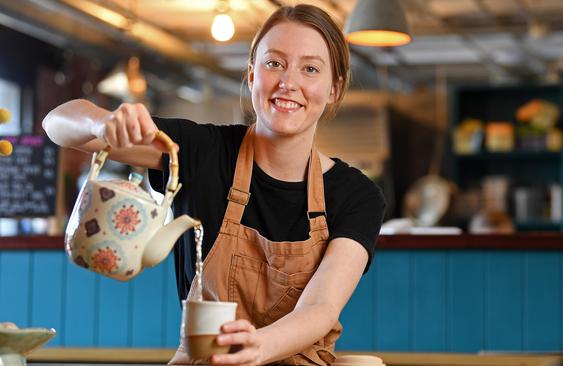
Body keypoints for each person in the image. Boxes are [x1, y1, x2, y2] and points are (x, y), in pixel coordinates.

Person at [42, 4, 385, 366]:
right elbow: (57, 124)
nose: (289, 82)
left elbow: (321, 306)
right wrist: (104, 124)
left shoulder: (356, 195)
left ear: (334, 89)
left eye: (310, 69)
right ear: (252, 75)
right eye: (274, 63)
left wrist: (258, 347)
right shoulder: (199, 152)